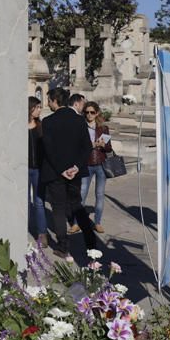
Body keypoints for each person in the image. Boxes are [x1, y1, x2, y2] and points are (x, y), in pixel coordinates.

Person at [40, 87, 97, 261]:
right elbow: (87, 147)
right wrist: (76, 167)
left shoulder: (48, 121)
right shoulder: (79, 121)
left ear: (55, 101)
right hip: (75, 172)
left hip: (56, 173)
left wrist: (62, 169)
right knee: (76, 205)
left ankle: (63, 247)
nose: (48, 103)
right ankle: (91, 243)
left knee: (58, 208)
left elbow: (48, 150)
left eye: (49, 100)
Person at [77, 101, 112, 234]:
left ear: (97, 113)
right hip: (86, 164)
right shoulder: (81, 127)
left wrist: (104, 145)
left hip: (101, 165)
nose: (89, 115)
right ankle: (76, 222)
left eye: (92, 112)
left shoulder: (103, 128)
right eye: (87, 112)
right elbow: (78, 146)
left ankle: (97, 222)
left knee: (100, 194)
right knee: (82, 194)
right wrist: (91, 145)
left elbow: (109, 148)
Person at [27, 96, 48, 247]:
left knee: (39, 202)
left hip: (38, 169)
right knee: (25, 202)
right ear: (30, 108)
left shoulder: (41, 126)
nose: (40, 110)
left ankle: (42, 233)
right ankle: (22, 230)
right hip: (24, 169)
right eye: (38, 107)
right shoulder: (19, 127)